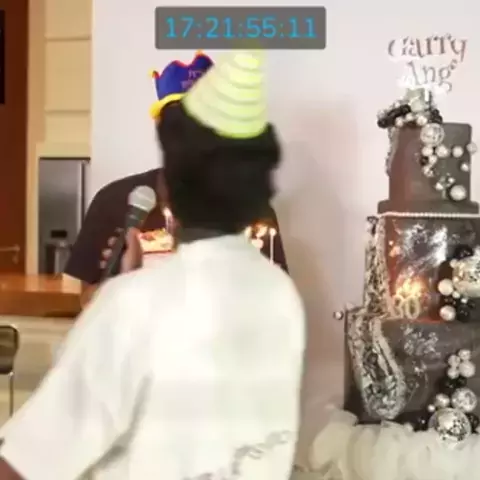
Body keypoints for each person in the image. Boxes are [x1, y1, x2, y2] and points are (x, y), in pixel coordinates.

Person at [0, 50, 305, 479]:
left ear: (170, 182)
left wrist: (120, 297)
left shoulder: (134, 304)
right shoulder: (280, 296)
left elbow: (27, 462)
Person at [64, 52, 288, 307]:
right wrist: (123, 281)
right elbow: (86, 302)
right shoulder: (116, 201)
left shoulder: (251, 210)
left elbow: (274, 301)